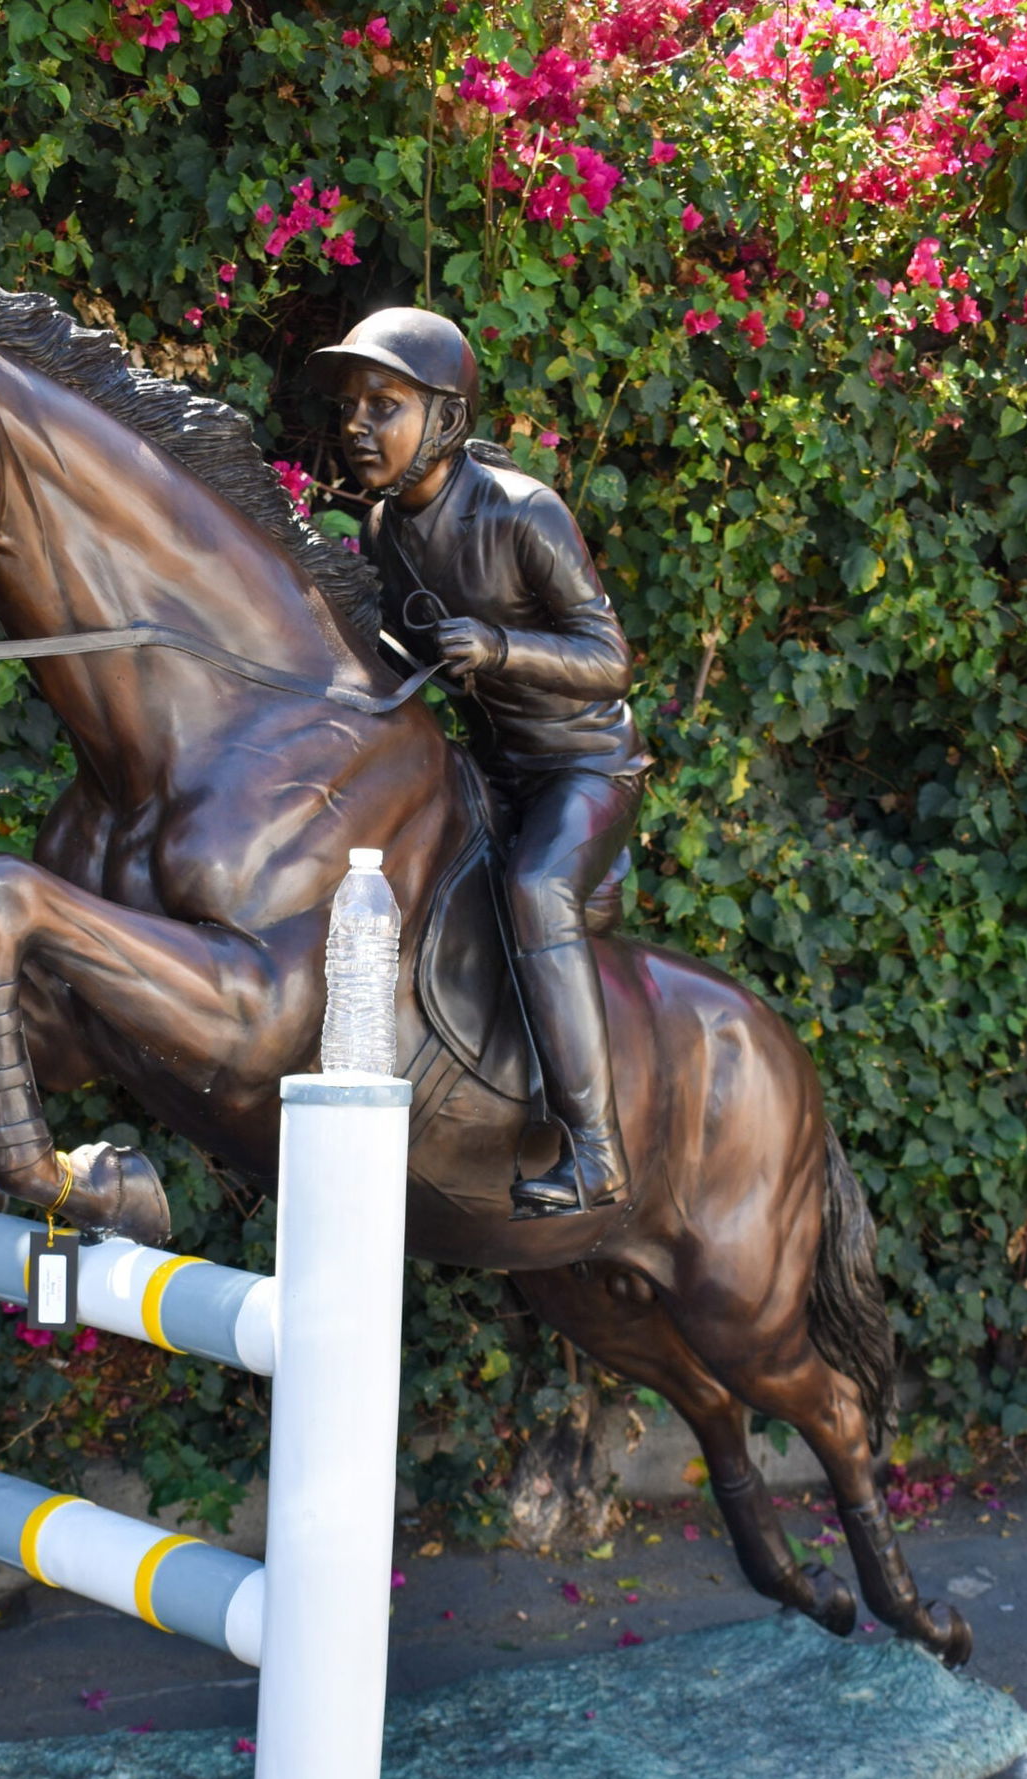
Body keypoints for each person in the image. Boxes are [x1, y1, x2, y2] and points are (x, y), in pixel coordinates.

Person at [308, 307, 647, 1215]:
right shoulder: (384, 528)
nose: (358, 425)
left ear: (446, 421)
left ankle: (596, 1152)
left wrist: (500, 648)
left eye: (385, 405)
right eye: (351, 407)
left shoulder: (524, 510)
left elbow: (610, 658)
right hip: (488, 767)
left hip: (582, 771)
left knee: (537, 887)